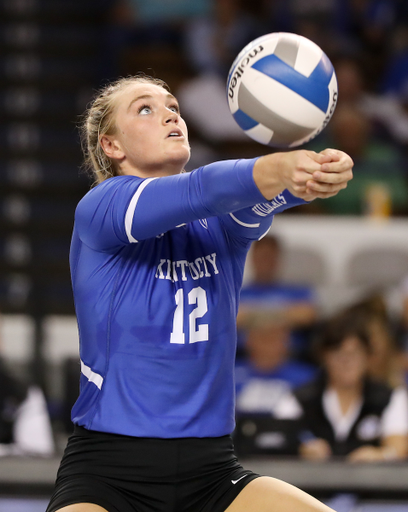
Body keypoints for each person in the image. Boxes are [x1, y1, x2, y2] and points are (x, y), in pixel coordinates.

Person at [46, 74, 353, 512]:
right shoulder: (102, 208)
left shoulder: (221, 222)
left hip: (211, 472)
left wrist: (317, 171)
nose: (171, 113)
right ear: (112, 146)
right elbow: (205, 188)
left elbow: (251, 194)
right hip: (108, 475)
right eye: (146, 109)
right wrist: (279, 167)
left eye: (173, 105)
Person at [293, 309, 408, 463]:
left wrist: (380, 455)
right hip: (307, 485)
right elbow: (278, 439)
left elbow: (398, 448)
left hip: (370, 484)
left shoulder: (389, 397)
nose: (346, 363)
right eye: (338, 354)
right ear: (324, 356)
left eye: (354, 354)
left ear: (367, 357)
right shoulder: (301, 398)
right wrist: (301, 448)